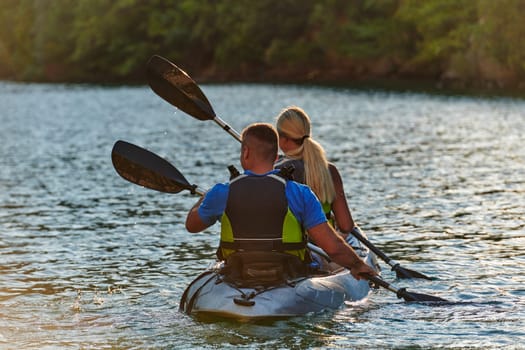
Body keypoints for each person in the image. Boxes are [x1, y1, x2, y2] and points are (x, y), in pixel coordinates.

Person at [185, 122, 377, 281]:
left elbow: (192, 225)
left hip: (238, 272)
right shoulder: (300, 193)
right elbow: (332, 247)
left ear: (245, 153)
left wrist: (206, 195)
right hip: (289, 272)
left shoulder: (221, 192)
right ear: (276, 157)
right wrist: (358, 265)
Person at [274, 106, 360, 241]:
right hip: (324, 246)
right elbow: (346, 225)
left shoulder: (275, 172)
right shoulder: (330, 170)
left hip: (292, 248)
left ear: (282, 139)